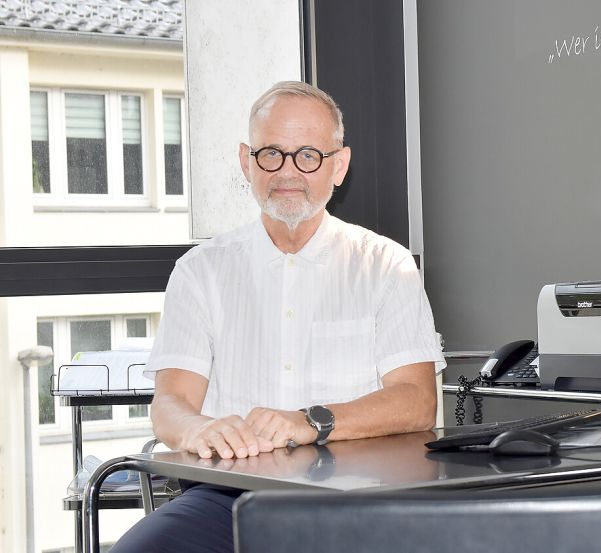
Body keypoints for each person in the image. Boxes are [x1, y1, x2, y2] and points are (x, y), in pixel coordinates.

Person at [111, 81, 445, 552]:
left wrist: (312, 421)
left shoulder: (386, 265)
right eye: (272, 154)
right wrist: (199, 428)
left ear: (339, 166)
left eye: (308, 154)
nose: (288, 171)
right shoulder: (199, 271)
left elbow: (416, 401)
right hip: (228, 498)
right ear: (247, 161)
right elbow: (169, 406)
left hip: (360, 496)